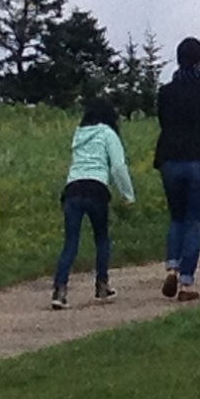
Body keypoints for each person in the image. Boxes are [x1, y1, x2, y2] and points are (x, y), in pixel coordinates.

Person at [153, 37, 200, 301]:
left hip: (170, 158)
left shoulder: (166, 92)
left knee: (176, 217)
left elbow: (162, 121)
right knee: (194, 220)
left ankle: (172, 266)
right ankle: (186, 282)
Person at [50, 94, 134, 307]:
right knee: (102, 238)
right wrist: (128, 194)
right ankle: (102, 285)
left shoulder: (78, 135)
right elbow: (117, 166)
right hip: (96, 188)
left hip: (72, 189)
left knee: (70, 242)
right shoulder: (107, 133)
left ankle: (59, 290)